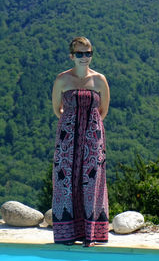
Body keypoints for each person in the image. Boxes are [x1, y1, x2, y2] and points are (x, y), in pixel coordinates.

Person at [51, 37, 110, 247]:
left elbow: (103, 110)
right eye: (79, 53)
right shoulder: (62, 80)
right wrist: (71, 123)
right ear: (71, 56)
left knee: (92, 181)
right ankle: (67, 233)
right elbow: (56, 109)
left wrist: (89, 126)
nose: (84, 57)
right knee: (65, 180)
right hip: (67, 138)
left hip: (92, 139)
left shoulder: (100, 80)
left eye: (88, 53)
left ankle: (91, 233)